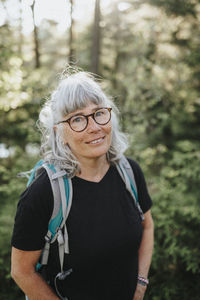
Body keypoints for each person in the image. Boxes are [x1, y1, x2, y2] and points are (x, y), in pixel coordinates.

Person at [11, 70, 154, 300]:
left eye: (98, 113)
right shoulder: (44, 192)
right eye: (77, 119)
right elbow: (21, 272)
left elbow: (147, 226)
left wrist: (140, 285)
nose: (94, 126)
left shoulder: (130, 172)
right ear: (60, 133)